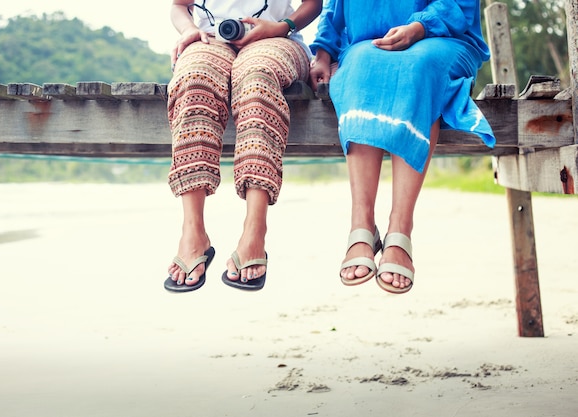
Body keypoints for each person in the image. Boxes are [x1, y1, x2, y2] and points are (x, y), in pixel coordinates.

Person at [309, 0, 496, 294]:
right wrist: (322, 53)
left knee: (417, 66)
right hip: (366, 47)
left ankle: (400, 227)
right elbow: (333, 9)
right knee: (360, 63)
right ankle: (362, 226)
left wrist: (419, 27)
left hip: (442, 39)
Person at [164, 0, 323, 292]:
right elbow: (179, 5)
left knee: (257, 77)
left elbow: (314, 3)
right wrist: (187, 29)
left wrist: (282, 26)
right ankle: (192, 231)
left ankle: (255, 229)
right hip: (210, 38)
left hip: (278, 39)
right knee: (193, 77)